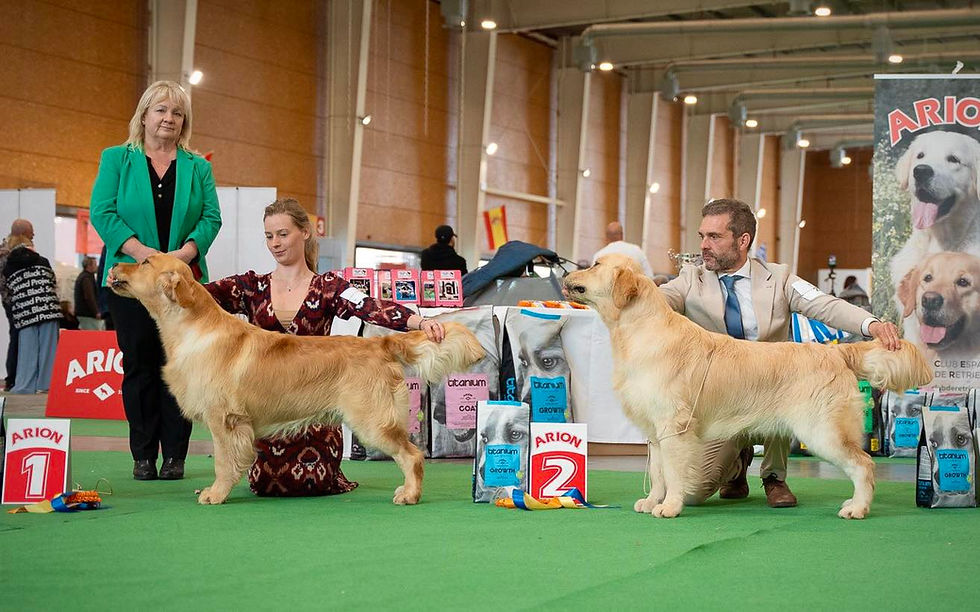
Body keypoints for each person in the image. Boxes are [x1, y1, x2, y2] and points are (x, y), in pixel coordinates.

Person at [658, 198, 900, 508]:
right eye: (702, 236)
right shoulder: (691, 279)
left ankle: (774, 477)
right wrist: (632, 292)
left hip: (777, 388)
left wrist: (871, 325)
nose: (704, 245)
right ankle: (735, 466)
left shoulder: (779, 279)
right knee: (690, 494)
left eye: (714, 237)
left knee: (783, 372)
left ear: (742, 240)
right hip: (720, 401)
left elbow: (824, 304)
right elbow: (658, 301)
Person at [205, 198, 445, 496]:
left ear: (304, 232)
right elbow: (195, 297)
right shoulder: (250, 286)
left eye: (283, 234)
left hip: (315, 418)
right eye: (269, 236)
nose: (275, 244)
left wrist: (418, 322)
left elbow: (370, 307)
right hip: (268, 423)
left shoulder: (329, 286)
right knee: (268, 485)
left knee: (314, 483)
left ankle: (410, 470)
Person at [90, 80, 221, 481]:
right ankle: (143, 454)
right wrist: (141, 253)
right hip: (131, 281)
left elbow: (211, 218)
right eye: (161, 110)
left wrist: (183, 256)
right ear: (144, 116)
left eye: (177, 113)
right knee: (139, 365)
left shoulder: (198, 167)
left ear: (185, 121)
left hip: (182, 284)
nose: (169, 119)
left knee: (182, 367)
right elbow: (103, 211)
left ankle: (176, 456)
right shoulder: (117, 159)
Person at [2, 235, 61, 394]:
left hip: (25, 311)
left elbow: (7, 289)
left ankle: (25, 385)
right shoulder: (43, 261)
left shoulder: (8, 265)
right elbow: (52, 281)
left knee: (27, 349)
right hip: (48, 307)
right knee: (49, 349)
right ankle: (47, 384)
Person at [0, 219, 35, 390]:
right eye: (31, 232)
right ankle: (12, 378)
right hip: (15, 303)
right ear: (22, 233)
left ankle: (16, 377)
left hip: (16, 301)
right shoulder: (7, 253)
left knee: (18, 337)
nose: (33, 235)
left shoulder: (9, 251)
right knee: (17, 337)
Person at [74, 256, 102, 330]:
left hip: (83, 314)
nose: (97, 266)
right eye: (95, 264)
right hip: (87, 314)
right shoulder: (86, 278)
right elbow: (89, 297)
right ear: (89, 266)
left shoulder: (83, 276)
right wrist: (96, 312)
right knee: (93, 336)